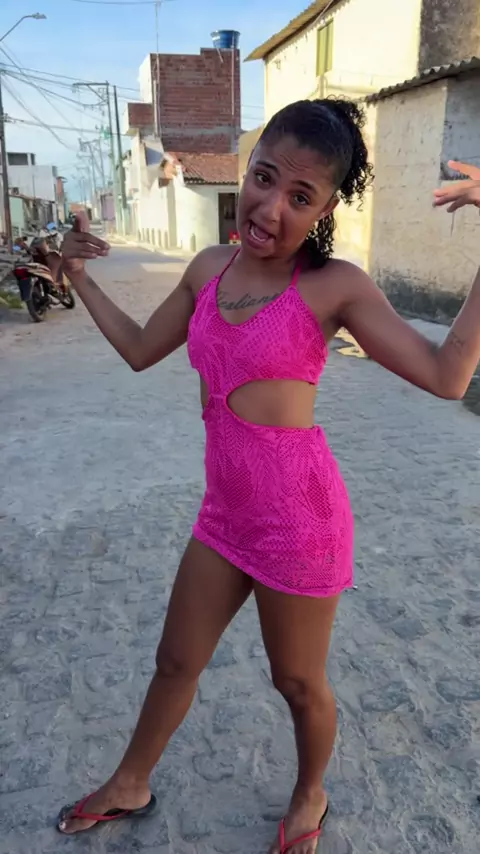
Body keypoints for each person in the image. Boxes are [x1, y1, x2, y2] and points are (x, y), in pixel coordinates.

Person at [57, 99, 480, 853]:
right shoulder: (206, 269)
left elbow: (448, 376)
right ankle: (130, 782)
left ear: (325, 210)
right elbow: (140, 349)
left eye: (301, 197)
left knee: (298, 684)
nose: (271, 208)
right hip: (224, 516)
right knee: (174, 661)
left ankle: (311, 794)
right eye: (264, 178)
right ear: (246, 170)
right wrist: (80, 277)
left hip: (300, 523)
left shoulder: (334, 286)